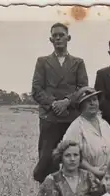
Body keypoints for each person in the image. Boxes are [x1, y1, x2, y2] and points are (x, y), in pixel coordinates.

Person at [32, 23, 89, 183]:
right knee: (47, 158)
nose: (58, 38)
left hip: (70, 117)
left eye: (61, 35)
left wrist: (66, 102)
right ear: (51, 39)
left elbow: (82, 88)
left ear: (68, 38)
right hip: (49, 117)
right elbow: (36, 89)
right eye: (55, 36)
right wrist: (54, 104)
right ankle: (48, 195)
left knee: (73, 156)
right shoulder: (42, 62)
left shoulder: (78, 62)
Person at [62, 87, 110, 180]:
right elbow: (71, 155)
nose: (92, 103)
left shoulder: (104, 124)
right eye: (88, 101)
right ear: (81, 105)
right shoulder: (76, 128)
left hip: (109, 176)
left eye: (95, 100)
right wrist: (94, 171)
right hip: (86, 178)